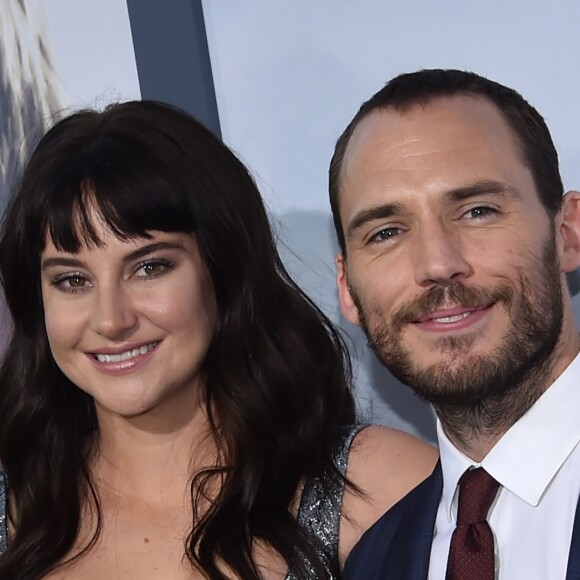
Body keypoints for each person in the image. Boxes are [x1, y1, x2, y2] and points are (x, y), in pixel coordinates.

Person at [0, 100, 436, 579]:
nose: (111, 319)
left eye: (150, 267)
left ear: (223, 270)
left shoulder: (381, 490)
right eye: (72, 280)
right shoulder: (14, 512)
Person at [329, 69, 580, 579]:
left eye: (477, 211)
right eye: (387, 232)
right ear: (347, 290)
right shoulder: (374, 564)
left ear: (568, 233)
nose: (438, 263)